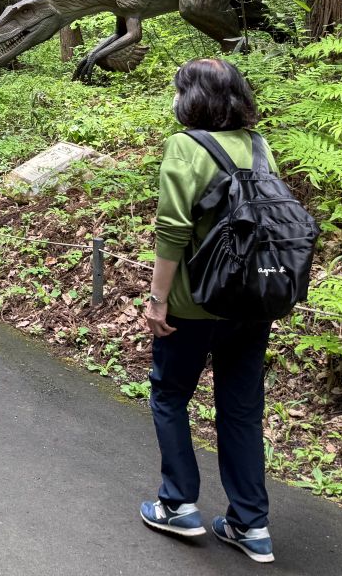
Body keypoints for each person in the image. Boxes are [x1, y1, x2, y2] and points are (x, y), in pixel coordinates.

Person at [140, 58, 276, 564]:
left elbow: (172, 231)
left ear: (192, 99)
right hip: (252, 301)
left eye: (179, 91)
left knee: (170, 395)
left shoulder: (185, 146)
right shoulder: (260, 146)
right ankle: (250, 524)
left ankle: (178, 505)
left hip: (192, 306)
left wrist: (156, 301)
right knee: (241, 410)